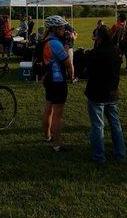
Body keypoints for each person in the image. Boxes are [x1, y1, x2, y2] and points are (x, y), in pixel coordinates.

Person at [85, 25, 126, 162]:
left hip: (97, 92)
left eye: (96, 36)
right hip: (112, 92)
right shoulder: (116, 51)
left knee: (97, 125)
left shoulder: (96, 52)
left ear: (100, 37)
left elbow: (88, 69)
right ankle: (120, 154)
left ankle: (99, 156)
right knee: (115, 124)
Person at [41, 15, 74, 152]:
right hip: (58, 80)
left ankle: (47, 136)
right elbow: (67, 63)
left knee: (48, 109)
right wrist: (72, 76)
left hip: (49, 79)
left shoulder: (46, 40)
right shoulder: (55, 43)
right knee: (57, 115)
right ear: (54, 29)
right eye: (61, 27)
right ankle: (57, 144)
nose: (63, 29)